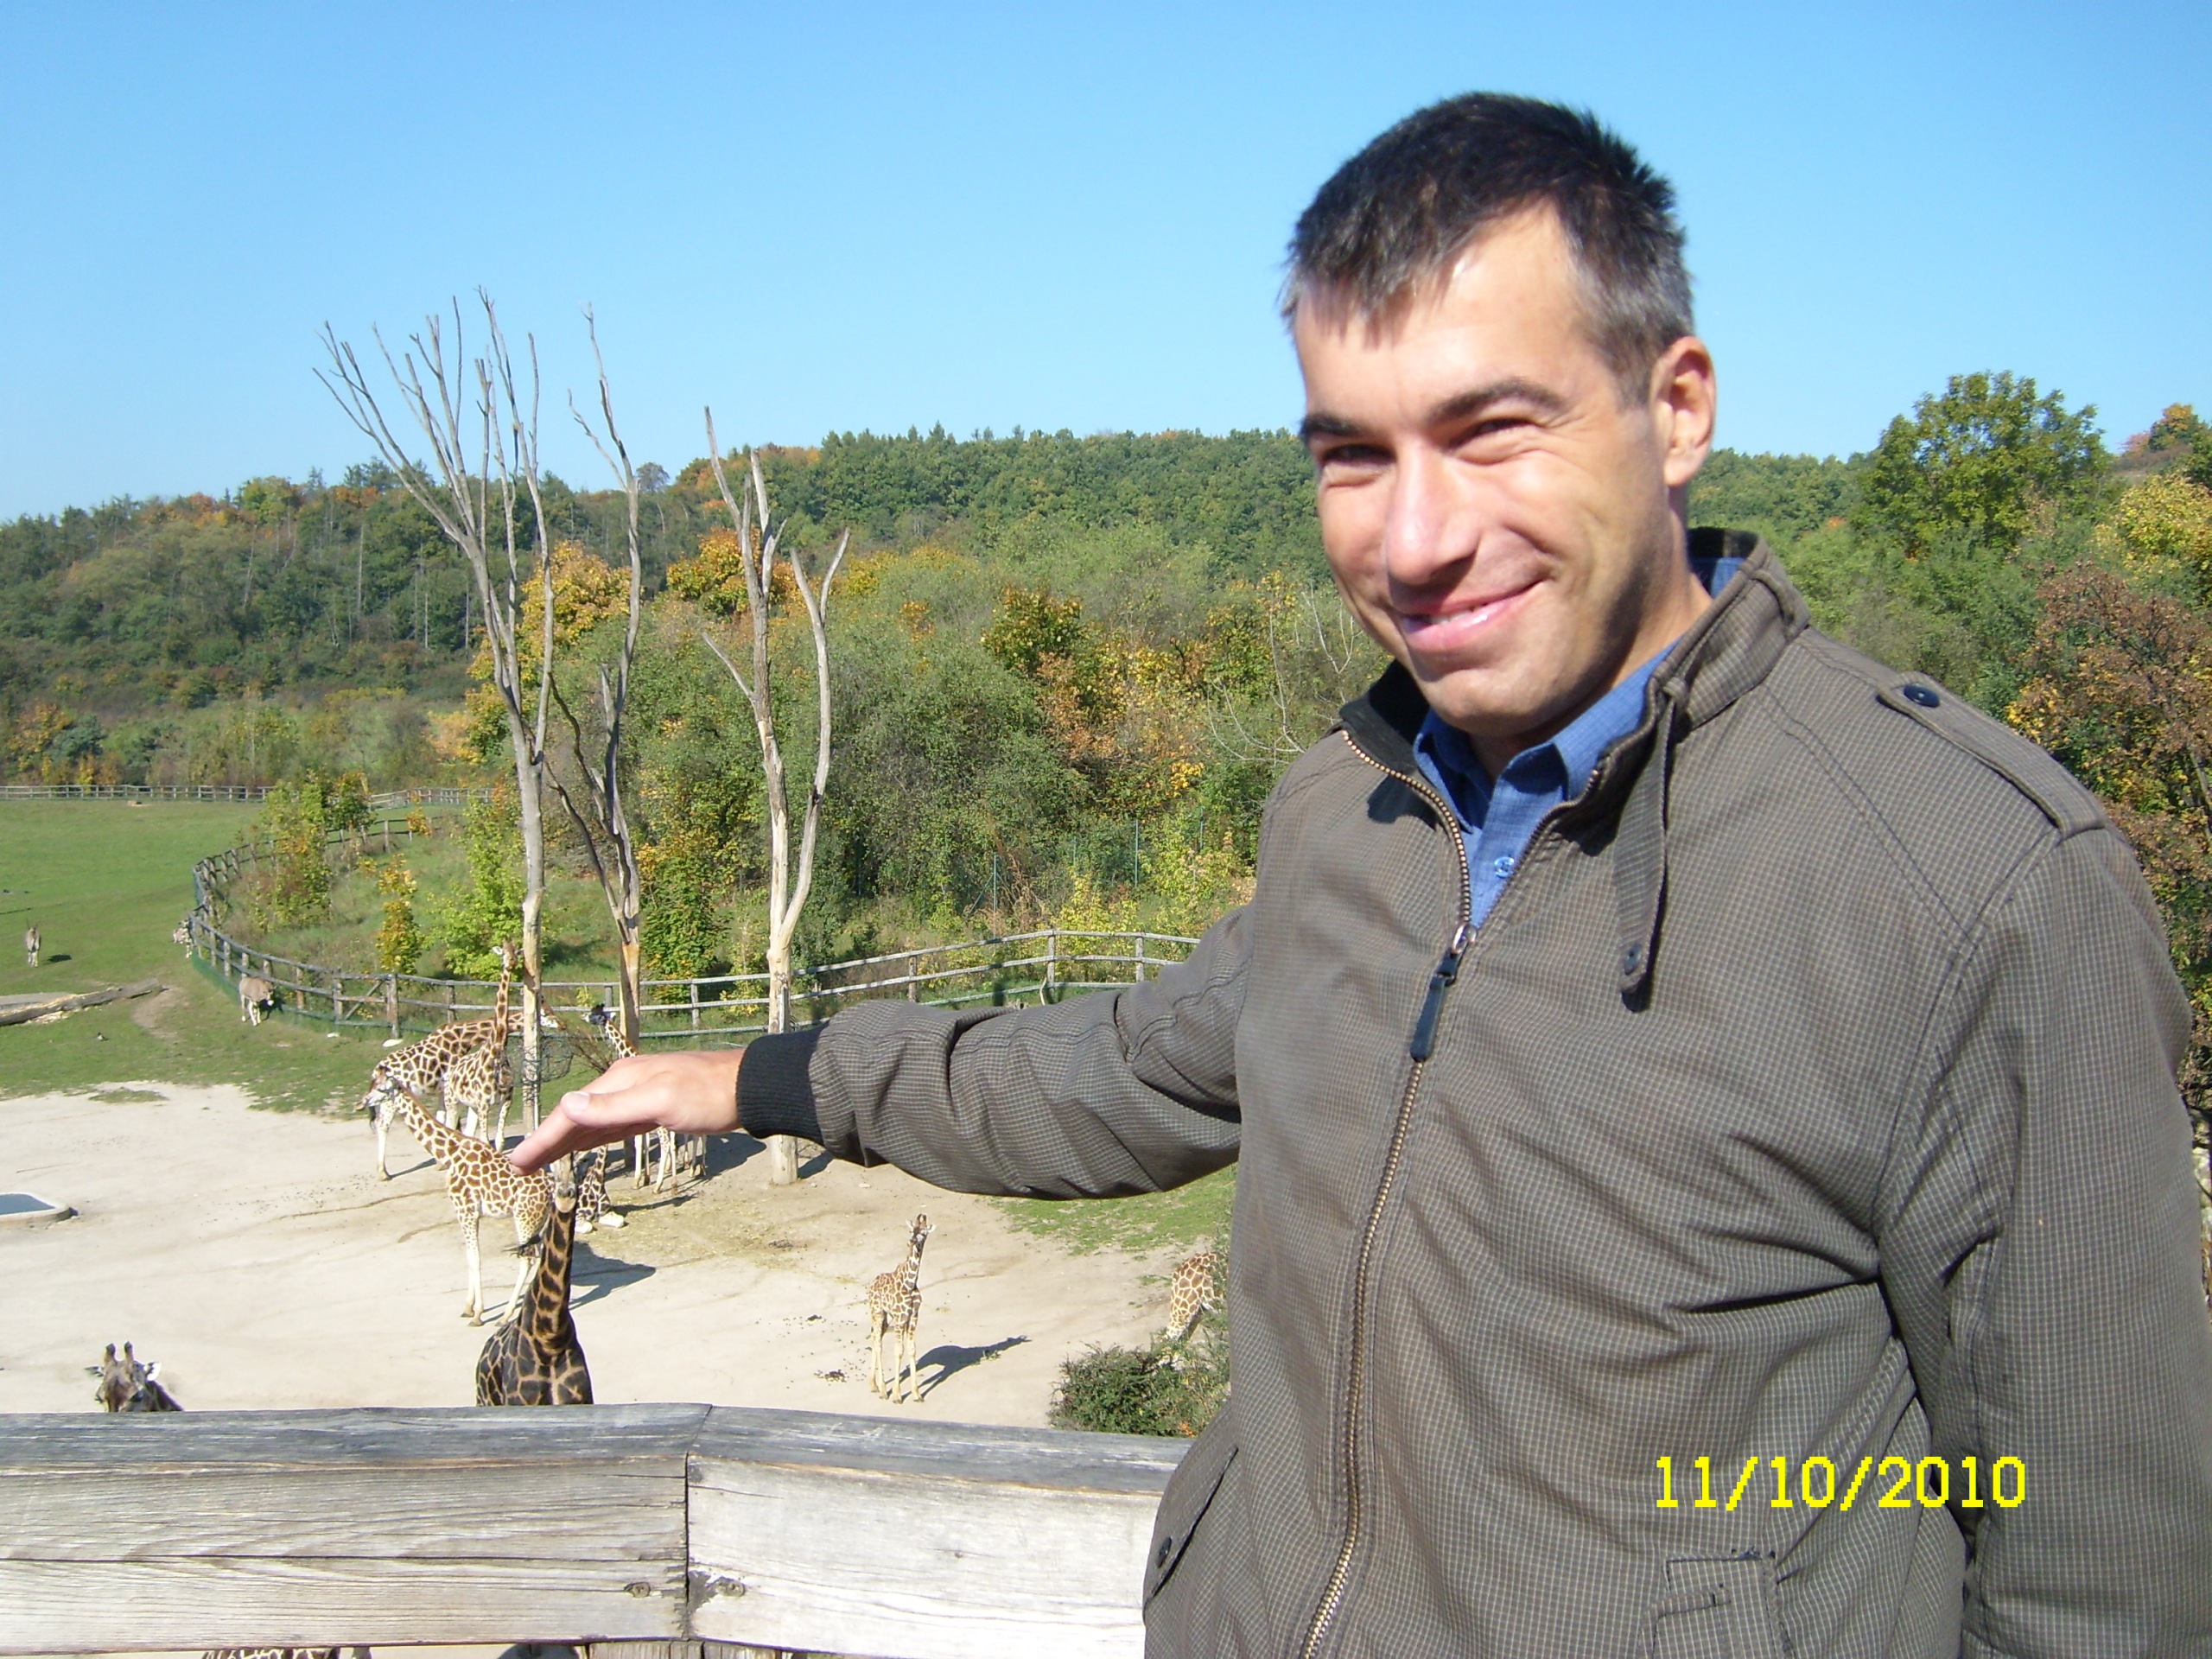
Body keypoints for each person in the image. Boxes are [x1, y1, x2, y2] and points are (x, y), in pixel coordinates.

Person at [513, 93, 2212, 1657]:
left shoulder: (1971, 885)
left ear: (1674, 407)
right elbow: (1123, 1073)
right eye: (1351, 455)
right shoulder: (1350, 808)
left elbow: (2096, 1579)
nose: (1413, 540)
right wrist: (760, 1075)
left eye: (1492, 431)